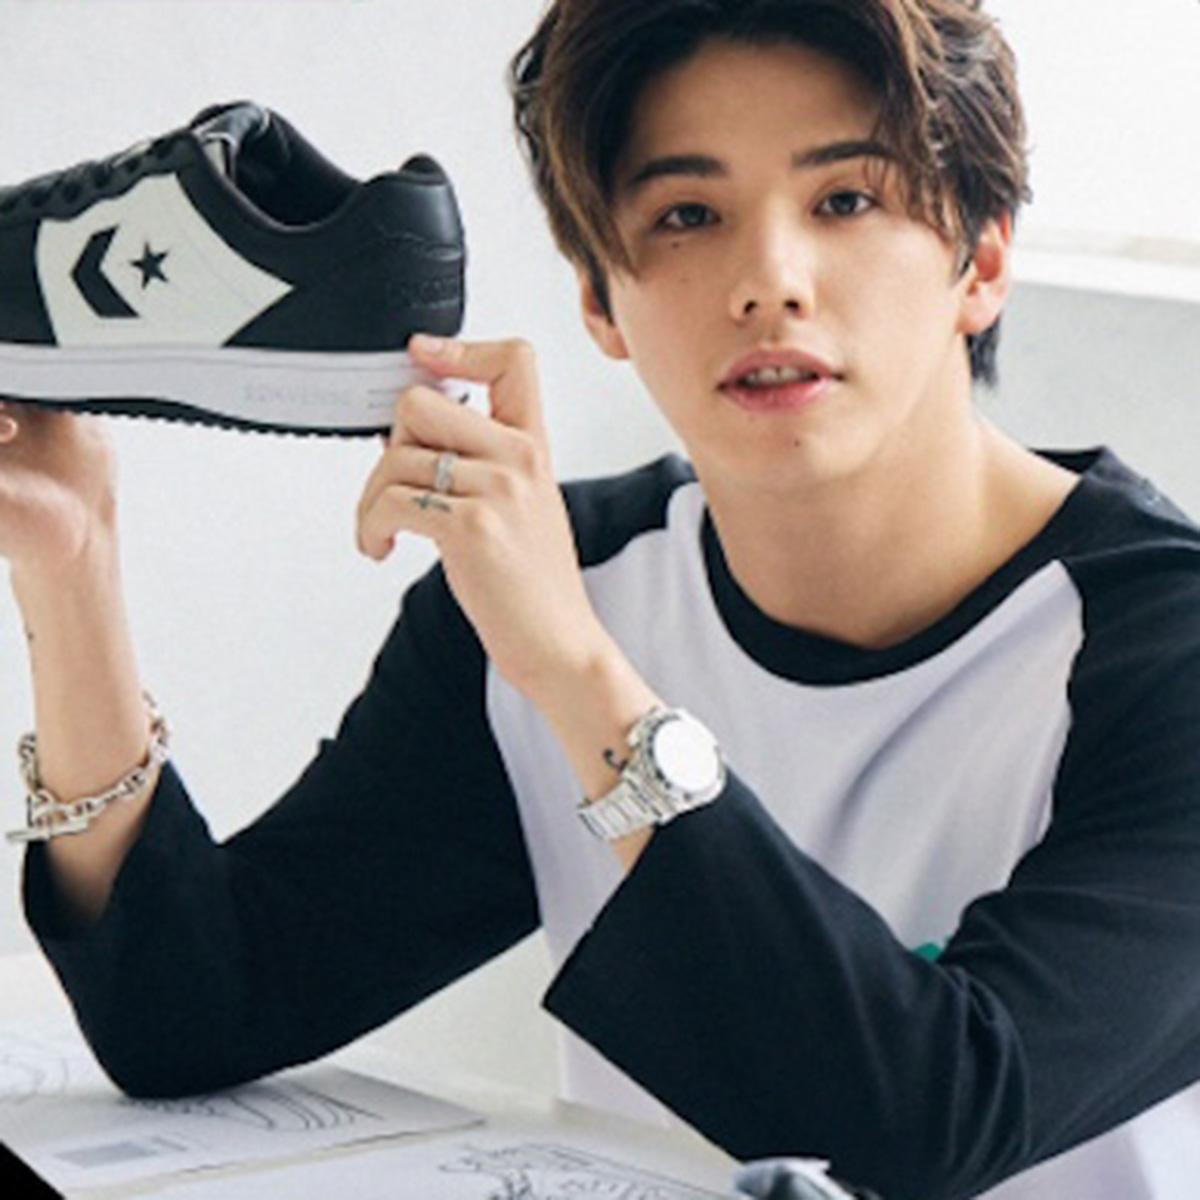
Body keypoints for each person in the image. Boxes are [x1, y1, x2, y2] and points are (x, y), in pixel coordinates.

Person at [3, 2, 1200, 1198]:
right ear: (597, 297)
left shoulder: (1164, 652)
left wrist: (579, 678)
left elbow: (935, 1116)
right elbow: (193, 1008)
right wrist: (73, 558)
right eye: (687, 214)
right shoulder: (562, 588)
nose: (768, 282)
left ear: (980, 261)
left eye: (846, 200)